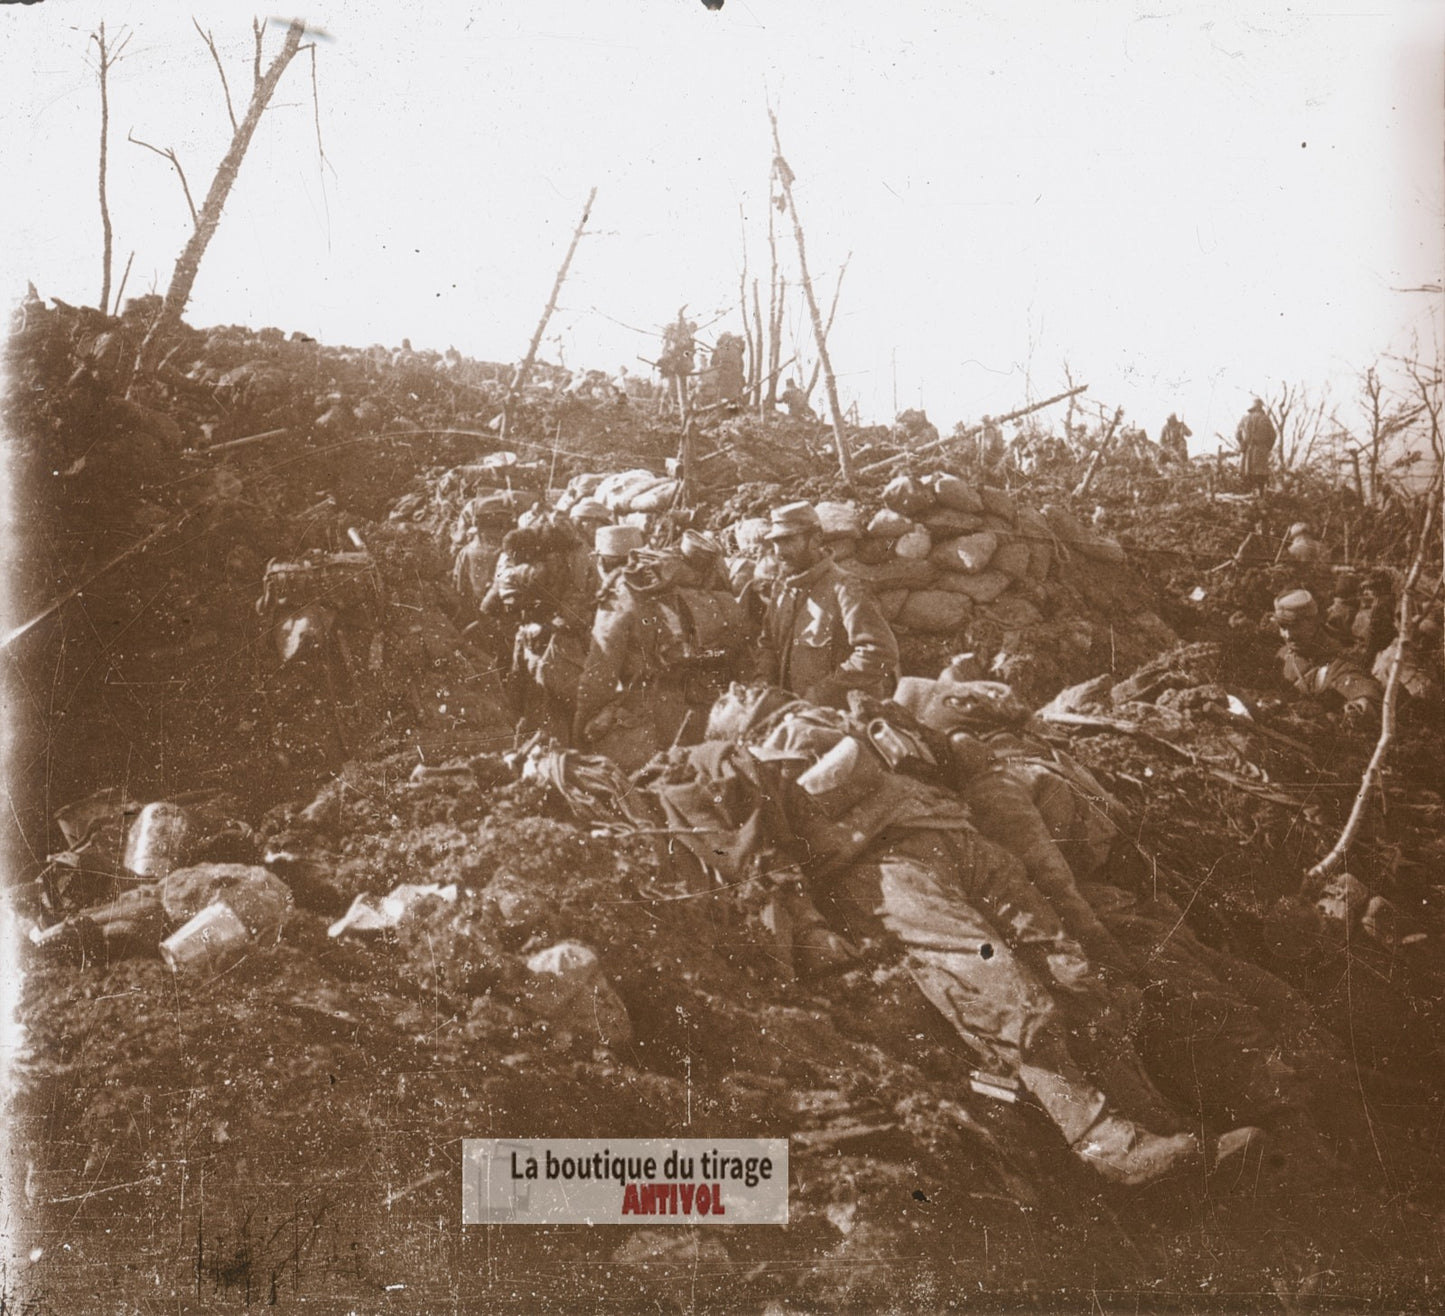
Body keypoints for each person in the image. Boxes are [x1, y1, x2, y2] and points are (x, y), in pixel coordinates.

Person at [754, 502, 899, 708]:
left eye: (788, 540)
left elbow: (880, 652)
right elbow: (768, 643)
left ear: (815, 539)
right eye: (776, 542)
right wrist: (764, 683)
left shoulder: (845, 588)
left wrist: (823, 693)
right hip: (797, 715)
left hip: (841, 715)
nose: (779, 551)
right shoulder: (782, 589)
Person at [1273, 589, 1383, 726]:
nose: (1287, 635)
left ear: (1312, 623)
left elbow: (1366, 694)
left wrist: (1358, 708)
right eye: (1282, 627)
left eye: (1294, 626)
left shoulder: (1338, 660)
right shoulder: (1284, 653)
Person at [1235, 398, 1277, 495]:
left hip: (1247, 451)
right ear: (1260, 407)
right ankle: (1260, 496)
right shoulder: (1265, 418)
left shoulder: (1244, 419)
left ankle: (1247, 497)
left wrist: (1243, 446)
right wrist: (1267, 448)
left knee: (1246, 473)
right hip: (1261, 451)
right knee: (1260, 475)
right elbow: (1273, 436)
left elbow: (1237, 434)